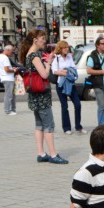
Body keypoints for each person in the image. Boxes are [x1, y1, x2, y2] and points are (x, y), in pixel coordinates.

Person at [19, 29, 68, 164]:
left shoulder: (29, 54)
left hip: (34, 95)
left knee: (39, 124)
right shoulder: (34, 56)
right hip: (41, 95)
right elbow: (45, 75)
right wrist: (49, 63)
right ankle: (53, 154)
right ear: (35, 40)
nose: (44, 41)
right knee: (49, 125)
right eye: (42, 38)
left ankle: (41, 153)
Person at [52, 40, 87, 134]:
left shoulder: (69, 57)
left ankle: (78, 126)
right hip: (61, 85)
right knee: (64, 106)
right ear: (60, 49)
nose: (66, 49)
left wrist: (65, 71)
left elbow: (73, 69)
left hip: (71, 84)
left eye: (67, 47)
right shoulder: (57, 58)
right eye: (64, 47)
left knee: (78, 104)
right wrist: (64, 71)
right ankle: (66, 128)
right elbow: (54, 71)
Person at [87, 38, 104, 125]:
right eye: (102, 43)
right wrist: (102, 72)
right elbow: (89, 71)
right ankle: (101, 126)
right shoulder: (92, 57)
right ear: (97, 45)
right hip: (98, 84)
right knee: (101, 106)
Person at [0, 45, 18, 115]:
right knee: (9, 95)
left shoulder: (0, 57)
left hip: (5, 78)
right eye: (11, 52)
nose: (12, 53)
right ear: (8, 50)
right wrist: (14, 70)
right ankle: (8, 110)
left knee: (9, 95)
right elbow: (6, 69)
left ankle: (11, 109)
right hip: (8, 78)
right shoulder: (5, 58)